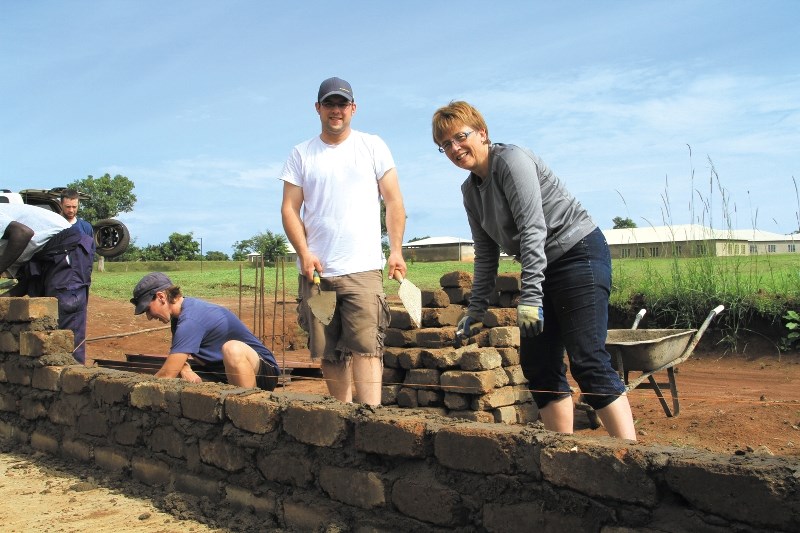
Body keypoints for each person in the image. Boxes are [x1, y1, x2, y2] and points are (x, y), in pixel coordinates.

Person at [431, 101, 637, 440]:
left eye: (460, 137)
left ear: (482, 133)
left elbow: (532, 229)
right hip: (544, 263)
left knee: (586, 360)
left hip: (577, 253)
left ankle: (634, 456)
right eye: (445, 145)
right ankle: (561, 450)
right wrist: (476, 308)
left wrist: (530, 296)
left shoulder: (511, 161)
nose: (454, 148)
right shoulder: (470, 192)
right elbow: (485, 253)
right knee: (539, 364)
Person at [279, 76, 407, 407]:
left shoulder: (372, 146)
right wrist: (304, 254)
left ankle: (371, 417)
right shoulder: (301, 154)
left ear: (353, 108)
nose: (336, 111)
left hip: (362, 268)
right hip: (317, 274)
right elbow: (290, 209)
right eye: (329, 104)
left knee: (367, 347)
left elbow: (393, 201)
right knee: (328, 350)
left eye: (342, 104)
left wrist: (395, 250)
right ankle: (341, 415)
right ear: (318, 108)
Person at [130, 272, 280, 390]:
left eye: (148, 309)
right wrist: (186, 369)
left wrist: (137, 393)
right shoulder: (179, 317)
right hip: (225, 373)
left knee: (232, 349)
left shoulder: (191, 320)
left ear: (161, 297)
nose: (149, 317)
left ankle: (249, 410)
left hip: (263, 371)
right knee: (183, 385)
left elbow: (167, 374)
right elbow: (178, 358)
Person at [0, 204, 94, 364]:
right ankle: (49, 379)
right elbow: (26, 283)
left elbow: (22, 233)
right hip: (45, 257)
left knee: (65, 320)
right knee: (47, 321)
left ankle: (73, 382)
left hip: (67, 250)